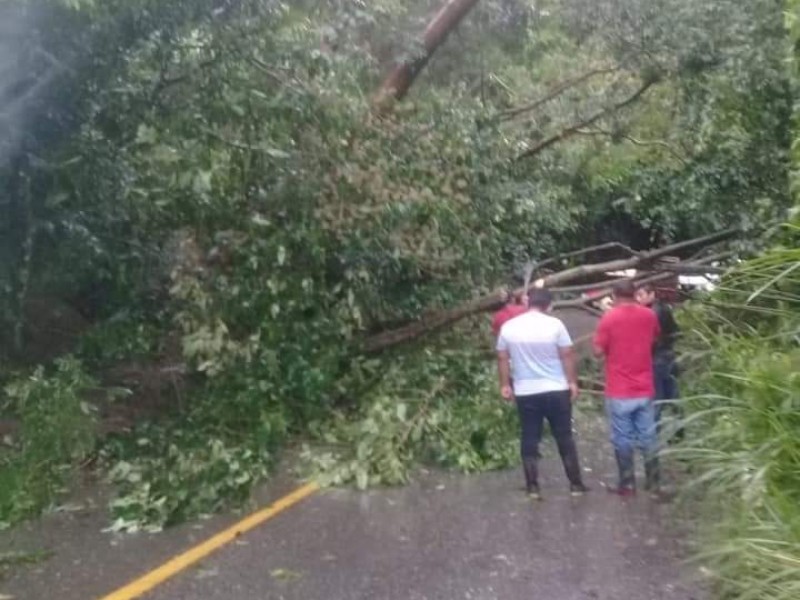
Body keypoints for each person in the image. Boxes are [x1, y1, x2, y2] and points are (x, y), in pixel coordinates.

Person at [496, 288, 590, 500]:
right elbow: (567, 354)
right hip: (556, 389)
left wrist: (505, 384)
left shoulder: (510, 327)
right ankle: (575, 484)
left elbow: (502, 357)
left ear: (529, 303)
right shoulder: (555, 325)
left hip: (526, 391)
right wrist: (572, 382)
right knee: (564, 436)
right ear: (548, 305)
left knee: (530, 436)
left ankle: (532, 487)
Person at [593, 280, 661, 496]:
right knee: (648, 435)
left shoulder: (609, 318)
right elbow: (655, 338)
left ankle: (627, 483)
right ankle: (654, 482)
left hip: (619, 388)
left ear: (614, 295)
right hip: (645, 386)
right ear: (634, 294)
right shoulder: (649, 315)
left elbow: (597, 351)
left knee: (622, 437)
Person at [635, 283, 681, 433]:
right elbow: (676, 331)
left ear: (651, 294)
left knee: (656, 398)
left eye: (641, 295)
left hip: (657, 359)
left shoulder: (652, 313)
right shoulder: (663, 308)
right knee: (673, 396)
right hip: (669, 355)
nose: (638, 299)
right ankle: (679, 432)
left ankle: (653, 433)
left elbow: (651, 340)